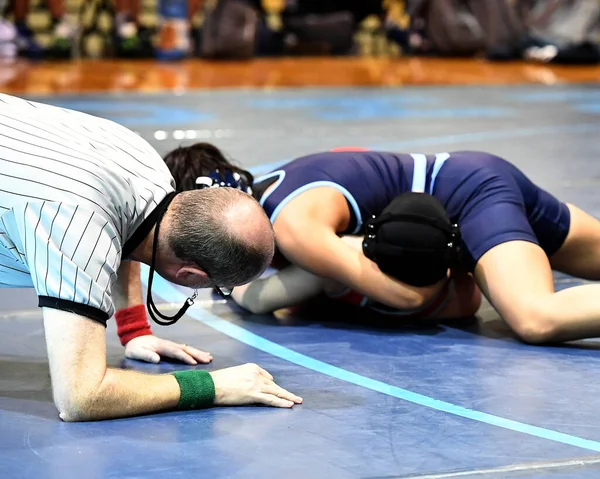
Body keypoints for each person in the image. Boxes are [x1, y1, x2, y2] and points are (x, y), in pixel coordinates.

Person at [0, 93, 302, 422]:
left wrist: (134, 330)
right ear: (190, 275)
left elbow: (132, 230)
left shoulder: (143, 160)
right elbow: (80, 397)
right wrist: (212, 386)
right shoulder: (81, 232)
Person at [123, 142, 600, 346]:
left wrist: (317, 285)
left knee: (536, 317)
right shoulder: (276, 194)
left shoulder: (294, 229)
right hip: (470, 177)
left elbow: (418, 297)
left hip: (469, 196)